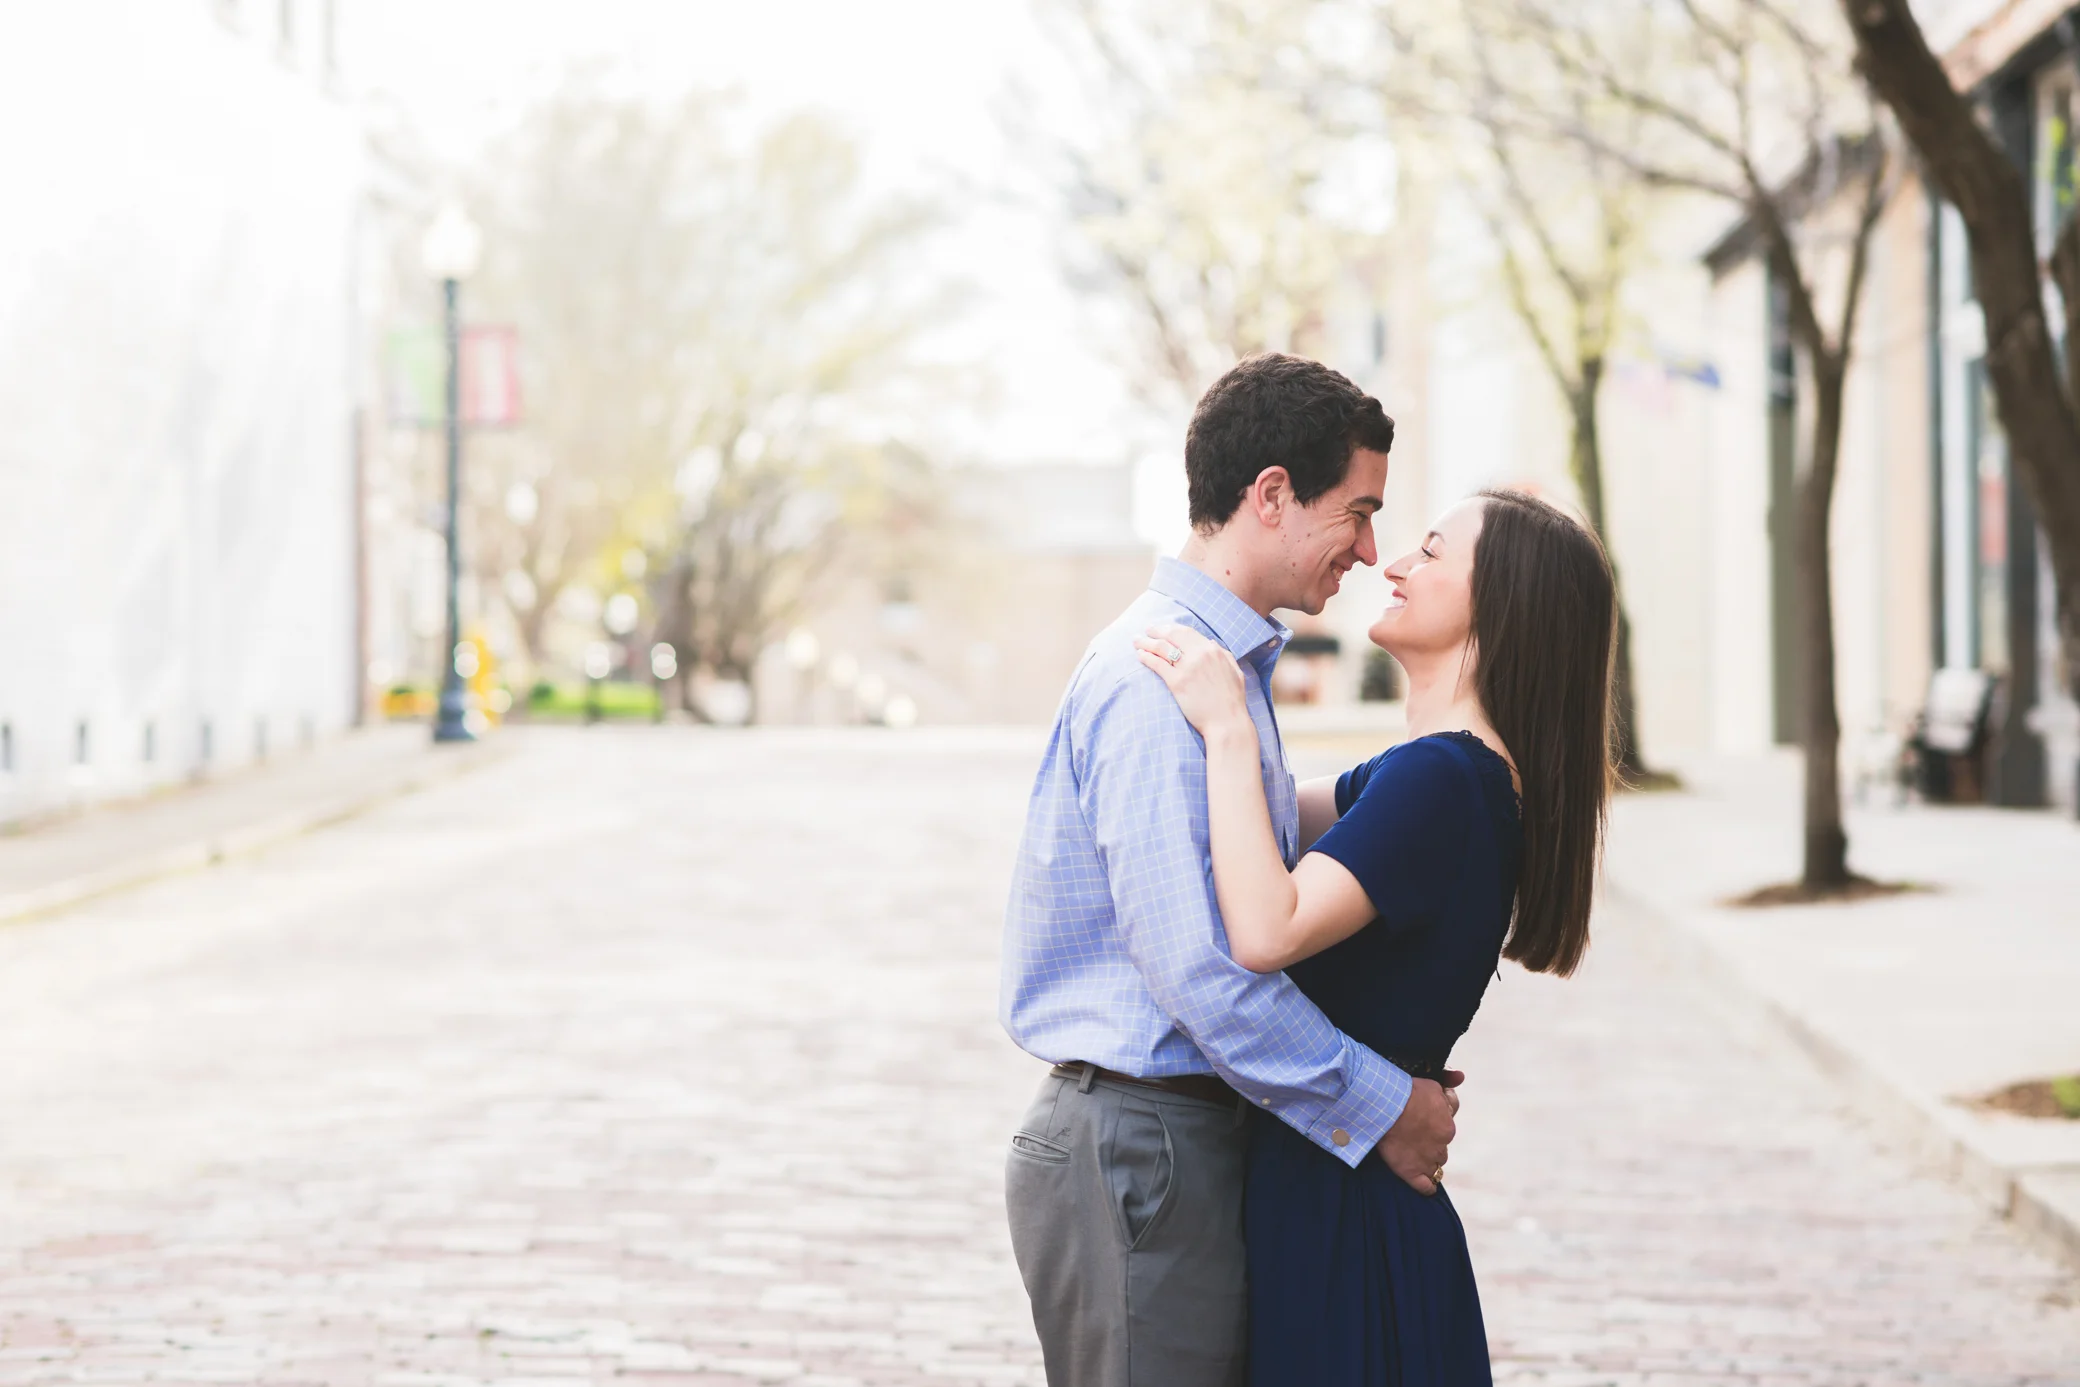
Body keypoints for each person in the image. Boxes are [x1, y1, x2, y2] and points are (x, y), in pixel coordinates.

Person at [999, 353, 1460, 1387]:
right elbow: (1202, 971)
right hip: (1141, 1147)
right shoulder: (1159, 678)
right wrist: (1381, 1105)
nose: (1369, 549)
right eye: (1358, 511)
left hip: (1174, 1140)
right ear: (1271, 494)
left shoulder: (1219, 677)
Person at [1133, 487, 1618, 1385]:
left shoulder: (1442, 780)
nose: (1392, 564)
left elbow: (1267, 926)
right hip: (1348, 1196)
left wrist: (1230, 726)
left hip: (1341, 1219)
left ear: (1499, 602)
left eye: (1430, 553)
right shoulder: (1434, 774)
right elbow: (1268, 819)